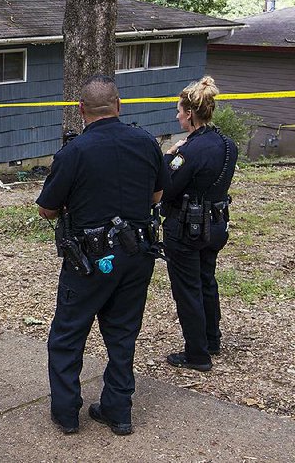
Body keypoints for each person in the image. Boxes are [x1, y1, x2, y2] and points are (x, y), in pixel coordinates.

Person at [36, 75, 165, 436]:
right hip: (137, 252)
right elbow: (157, 196)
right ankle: (118, 410)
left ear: (81, 111)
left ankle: (66, 413)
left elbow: (47, 209)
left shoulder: (73, 153)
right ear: (119, 105)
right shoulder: (146, 142)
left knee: (68, 334)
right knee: (123, 333)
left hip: (89, 260)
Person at [161, 76, 238, 372]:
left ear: (191, 113)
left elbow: (166, 188)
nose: (177, 115)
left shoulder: (188, 151)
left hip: (186, 228)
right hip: (216, 225)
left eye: (180, 110)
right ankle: (211, 339)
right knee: (207, 280)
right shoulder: (228, 145)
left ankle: (197, 354)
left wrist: (169, 157)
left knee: (188, 288)